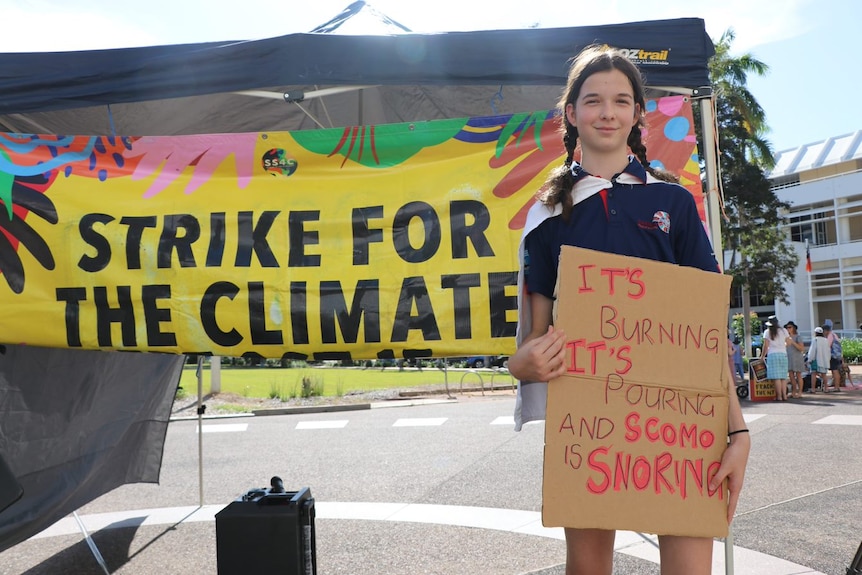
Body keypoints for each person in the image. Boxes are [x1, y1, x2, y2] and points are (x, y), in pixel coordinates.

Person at [507, 45, 750, 575]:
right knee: (588, 568)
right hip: (590, 428)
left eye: (621, 100)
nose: (608, 112)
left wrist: (738, 432)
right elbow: (535, 339)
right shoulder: (547, 216)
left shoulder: (675, 203)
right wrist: (521, 365)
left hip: (685, 428)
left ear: (639, 112)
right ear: (570, 114)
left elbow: (705, 332)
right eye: (593, 101)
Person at [761, 315, 790, 401]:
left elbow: (766, 346)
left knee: (776, 377)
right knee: (783, 377)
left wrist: (762, 356)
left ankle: (779, 396)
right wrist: (783, 346)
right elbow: (788, 342)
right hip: (783, 354)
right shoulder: (784, 331)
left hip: (772, 354)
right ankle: (785, 395)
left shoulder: (767, 332)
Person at [784, 321, 805, 398]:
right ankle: (793, 391)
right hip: (789, 358)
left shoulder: (798, 337)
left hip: (797, 358)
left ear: (794, 328)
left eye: (789, 327)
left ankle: (800, 392)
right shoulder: (785, 338)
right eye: (787, 327)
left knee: (798, 375)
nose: (788, 329)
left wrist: (793, 342)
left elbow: (801, 348)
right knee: (791, 376)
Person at [808, 326, 830, 393]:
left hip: (816, 359)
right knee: (824, 374)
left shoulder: (815, 340)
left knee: (813, 374)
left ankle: (813, 389)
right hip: (824, 360)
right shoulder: (826, 340)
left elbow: (812, 350)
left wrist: (810, 359)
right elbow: (828, 351)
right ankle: (826, 388)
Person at [823, 324, 843, 392]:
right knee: (835, 371)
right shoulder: (834, 335)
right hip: (838, 355)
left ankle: (836, 387)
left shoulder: (830, 335)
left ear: (826, 331)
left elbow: (828, 345)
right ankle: (836, 386)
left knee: (835, 371)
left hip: (833, 356)